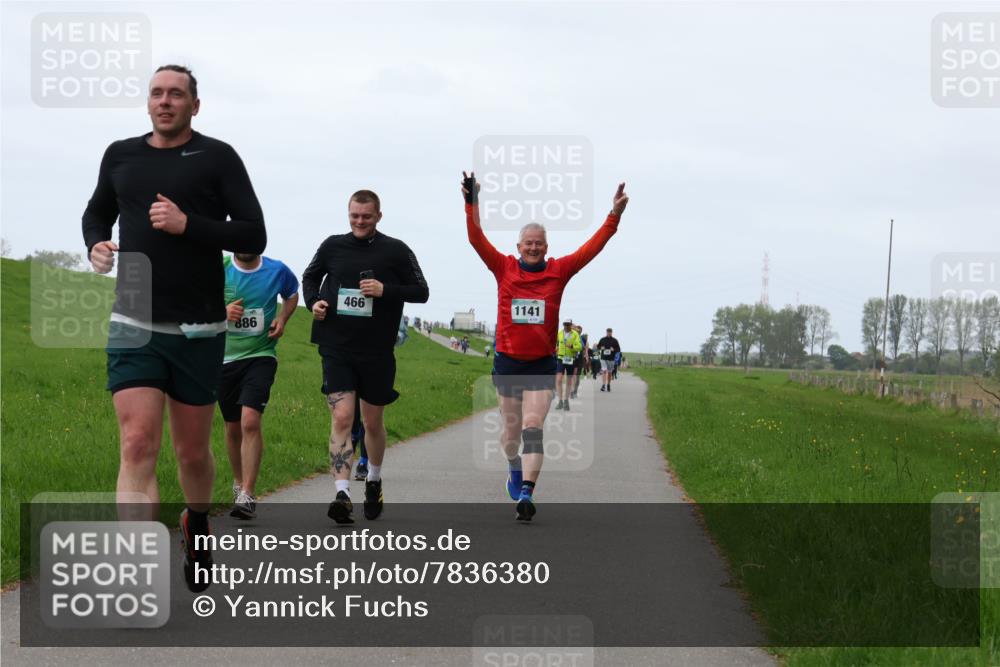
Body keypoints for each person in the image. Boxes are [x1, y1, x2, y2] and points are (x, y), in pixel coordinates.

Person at [82, 65, 266, 592]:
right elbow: (96, 212)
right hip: (133, 318)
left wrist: (191, 226)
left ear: (194, 105)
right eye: (157, 93)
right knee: (138, 443)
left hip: (200, 327)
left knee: (192, 452)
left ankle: (198, 519)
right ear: (148, 102)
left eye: (176, 94)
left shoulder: (218, 157)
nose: (165, 102)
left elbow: (254, 230)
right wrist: (96, 242)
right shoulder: (121, 155)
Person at [463, 171, 628, 521]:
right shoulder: (503, 268)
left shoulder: (559, 271)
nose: (534, 247)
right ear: (519, 247)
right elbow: (476, 239)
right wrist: (472, 202)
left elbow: (591, 249)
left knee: (533, 427)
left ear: (546, 247)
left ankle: (527, 492)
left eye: (539, 243)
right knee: (510, 437)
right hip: (508, 363)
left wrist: (613, 217)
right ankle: (513, 468)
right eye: (528, 243)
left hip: (541, 365)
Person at [302, 190, 428, 524]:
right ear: (348, 214)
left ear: (378, 217)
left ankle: (373, 479)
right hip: (336, 346)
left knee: (372, 421)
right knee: (343, 417)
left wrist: (386, 290)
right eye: (354, 216)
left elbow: (421, 291)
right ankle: (342, 494)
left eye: (366, 217)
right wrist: (313, 301)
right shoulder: (332, 245)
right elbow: (310, 276)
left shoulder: (396, 250)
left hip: (376, 350)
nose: (359, 222)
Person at [220, 252, 298, 519]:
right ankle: (239, 482)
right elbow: (193, 303)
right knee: (232, 426)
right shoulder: (220, 268)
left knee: (250, 421)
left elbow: (291, 293)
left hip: (261, 355)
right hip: (223, 359)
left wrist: (283, 318)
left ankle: (248, 494)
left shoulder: (276, 270)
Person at [554, 319, 582, 411]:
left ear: (571, 325)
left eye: (568, 324)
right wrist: (556, 348)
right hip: (561, 358)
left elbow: (580, 347)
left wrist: (572, 347)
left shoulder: (575, 334)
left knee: (569, 380)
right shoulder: (560, 333)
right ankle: (560, 401)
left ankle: (566, 400)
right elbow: (556, 343)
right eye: (565, 324)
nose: (566, 326)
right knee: (558, 379)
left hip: (571, 359)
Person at [571, 324, 587, 399]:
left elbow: (584, 347)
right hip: (571, 357)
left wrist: (586, 355)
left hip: (579, 358)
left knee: (577, 376)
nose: (576, 330)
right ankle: (571, 391)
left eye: (577, 329)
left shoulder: (581, 338)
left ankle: (575, 391)